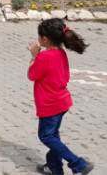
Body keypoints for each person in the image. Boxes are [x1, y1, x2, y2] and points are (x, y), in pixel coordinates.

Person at [28, 18, 94, 175]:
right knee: (53, 136)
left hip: (50, 105)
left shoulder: (44, 57)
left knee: (45, 136)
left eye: (39, 37)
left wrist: (34, 55)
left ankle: (78, 163)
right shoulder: (60, 52)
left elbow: (31, 75)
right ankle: (54, 167)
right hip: (62, 102)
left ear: (45, 39)